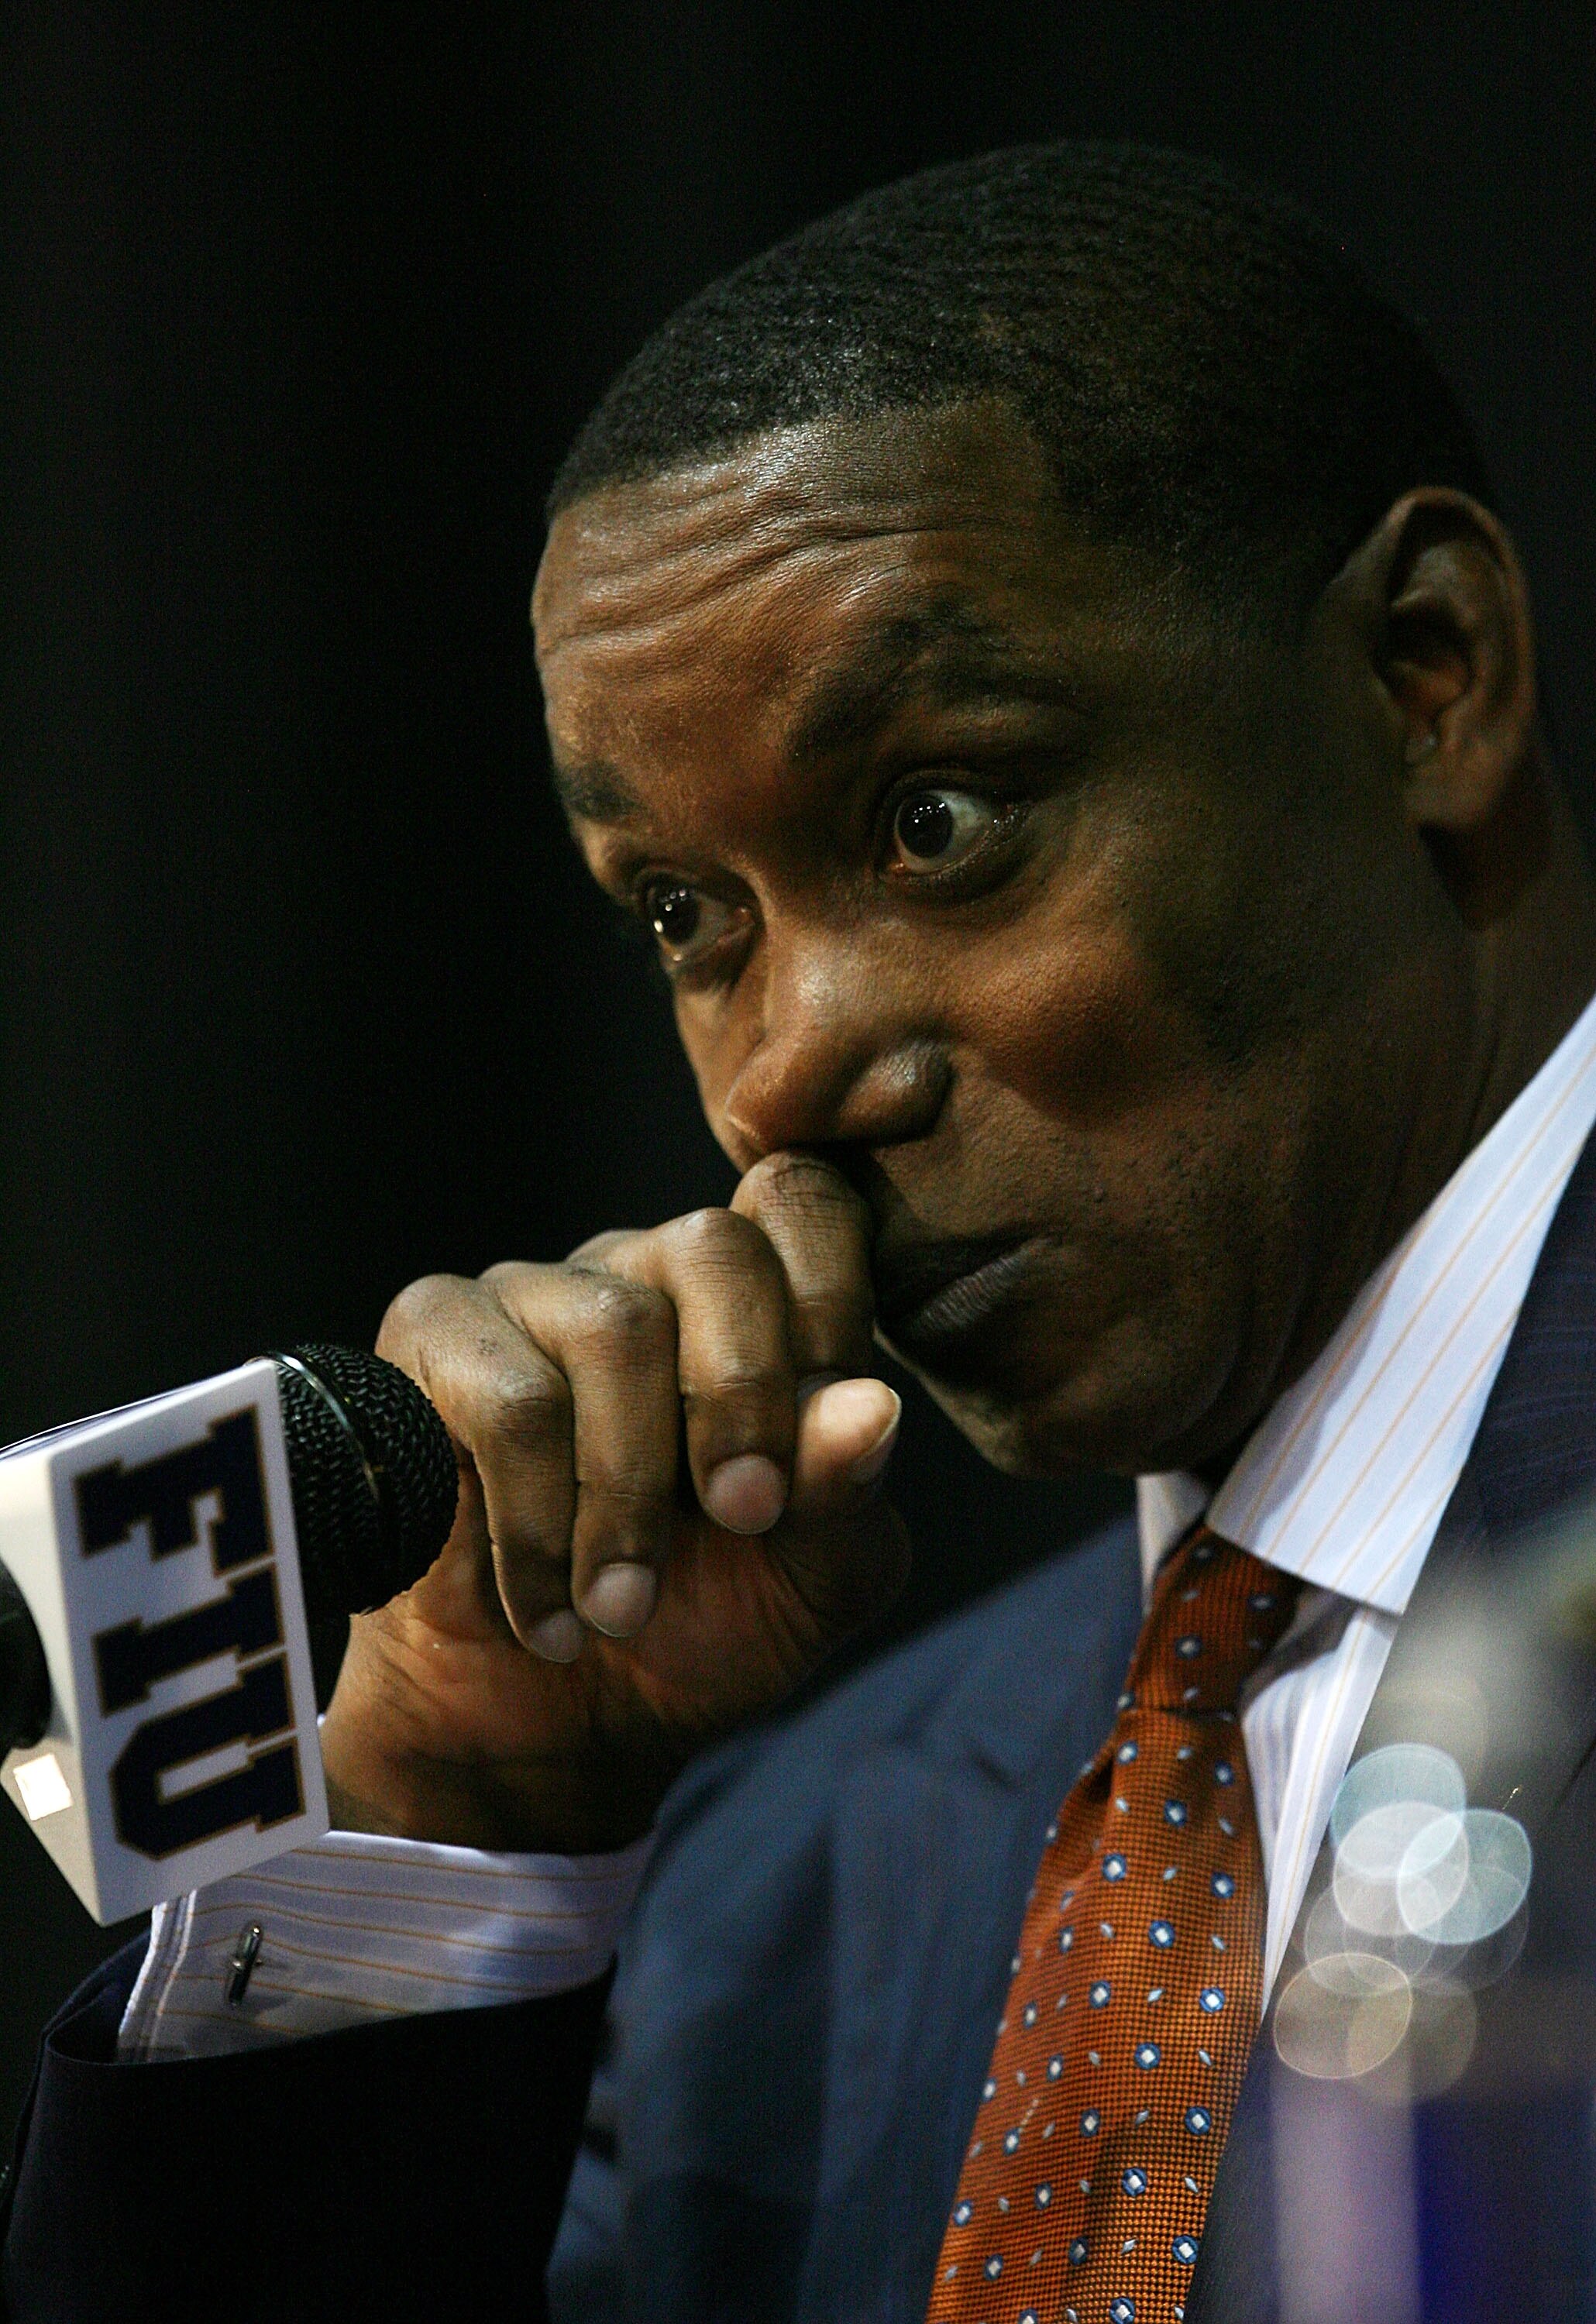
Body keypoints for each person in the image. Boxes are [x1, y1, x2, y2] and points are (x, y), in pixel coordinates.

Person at [6, 141, 1596, 2323]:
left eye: (934, 821)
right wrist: (453, 1842)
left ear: (1426, 677)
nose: (776, 1076)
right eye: (689, 920)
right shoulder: (770, 1901)